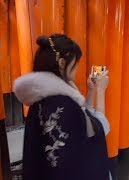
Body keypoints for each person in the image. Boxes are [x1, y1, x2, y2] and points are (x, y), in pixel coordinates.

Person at [14, 34, 113, 180]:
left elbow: (82, 119)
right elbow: (98, 130)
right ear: (62, 63)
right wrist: (100, 91)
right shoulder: (64, 105)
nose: (77, 67)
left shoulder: (40, 100)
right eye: (76, 62)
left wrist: (91, 90)